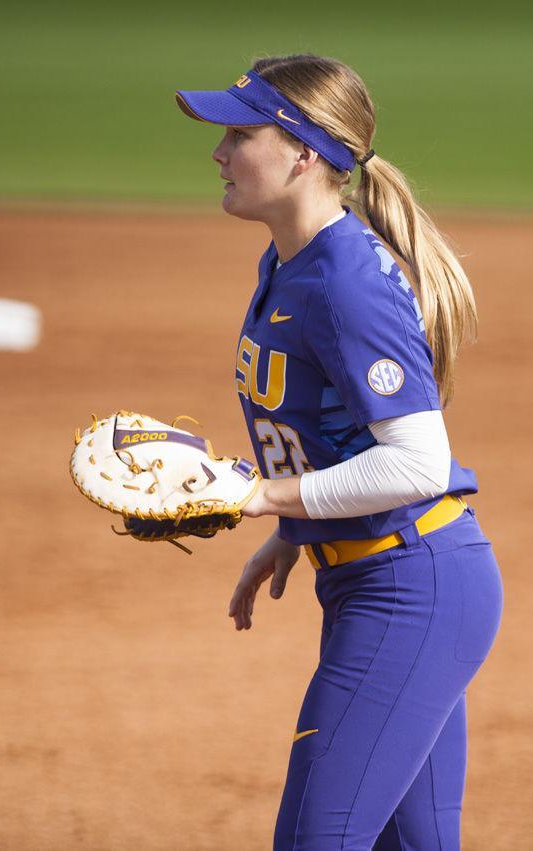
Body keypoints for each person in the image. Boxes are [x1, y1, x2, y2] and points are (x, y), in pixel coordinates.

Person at [175, 54, 504, 850]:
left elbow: (419, 462)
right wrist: (293, 529)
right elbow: (334, 426)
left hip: (412, 587)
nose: (218, 151)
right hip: (380, 579)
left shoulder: (346, 280)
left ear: (303, 153)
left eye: (240, 132)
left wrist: (264, 496)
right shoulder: (289, 263)